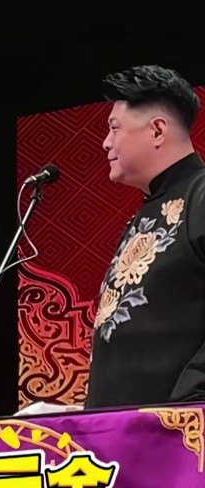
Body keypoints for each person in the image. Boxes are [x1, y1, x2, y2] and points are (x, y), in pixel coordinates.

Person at [85, 64, 205, 409]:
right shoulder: (150, 208)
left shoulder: (200, 195)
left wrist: (190, 402)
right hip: (126, 430)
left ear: (157, 130)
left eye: (114, 128)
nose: (106, 142)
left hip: (178, 430)